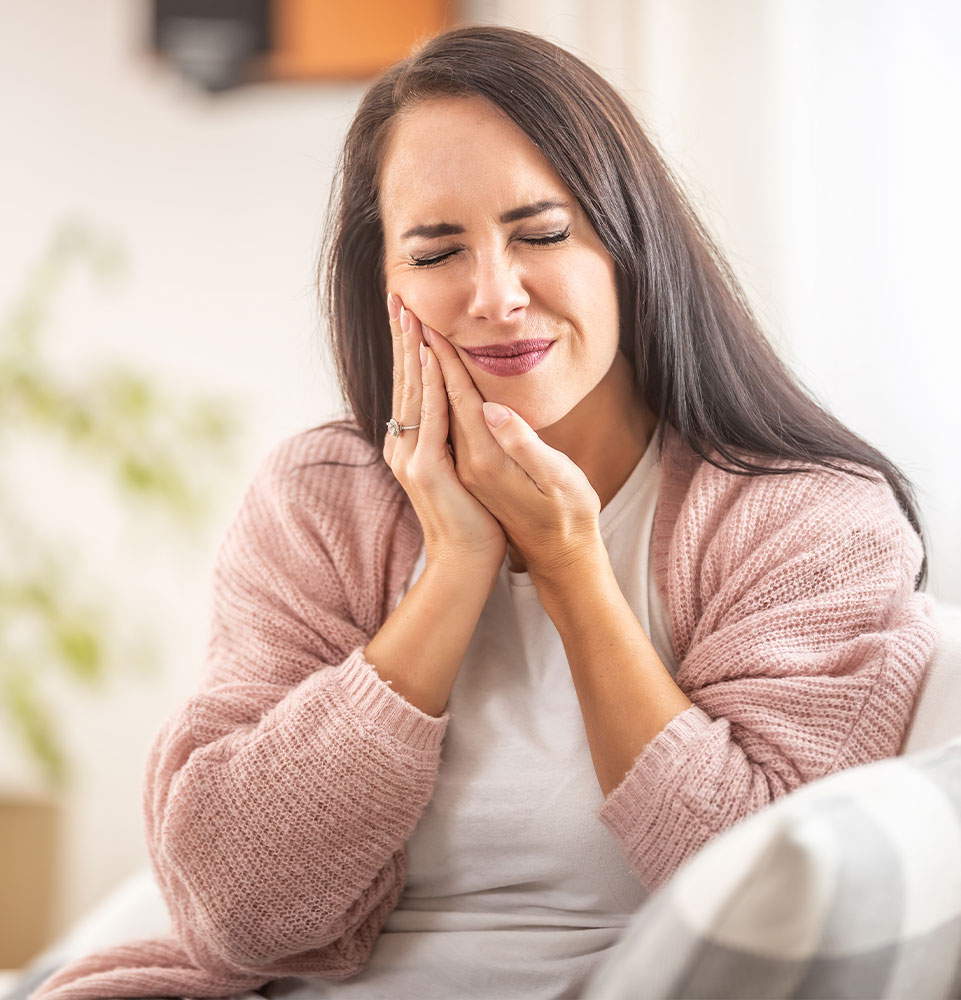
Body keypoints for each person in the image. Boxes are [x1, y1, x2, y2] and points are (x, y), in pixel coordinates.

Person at [32, 23, 939, 1000]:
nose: (496, 295)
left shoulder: (807, 522)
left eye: (541, 235)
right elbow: (234, 910)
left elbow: (769, 903)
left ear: (629, 246)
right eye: (436, 252)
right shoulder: (319, 500)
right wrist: (454, 569)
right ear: (384, 285)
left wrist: (571, 569)